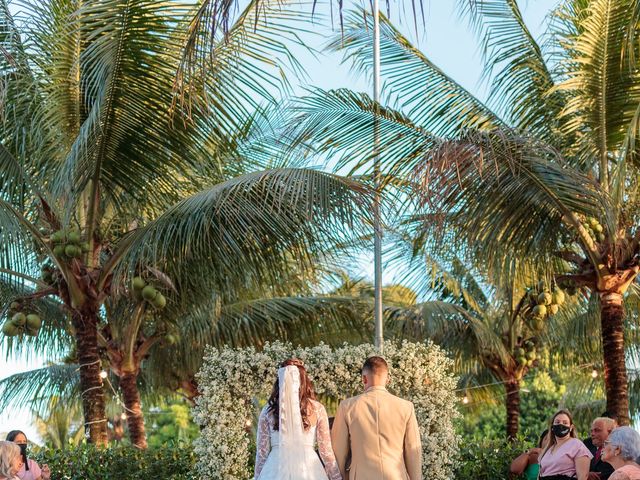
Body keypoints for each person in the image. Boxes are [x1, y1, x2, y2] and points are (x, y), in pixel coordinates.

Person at [331, 356, 422, 480]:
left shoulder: (346, 407)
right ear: (388, 379)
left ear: (364, 378)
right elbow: (413, 452)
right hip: (396, 476)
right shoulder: (406, 407)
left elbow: (338, 452)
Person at [254, 358, 341, 480]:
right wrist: (337, 478)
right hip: (309, 469)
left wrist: (257, 477)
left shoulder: (268, 410)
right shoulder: (317, 409)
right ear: (304, 380)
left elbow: (261, 453)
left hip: (275, 467)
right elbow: (326, 452)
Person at [538, 409, 592, 480]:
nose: (561, 425)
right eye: (557, 422)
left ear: (571, 428)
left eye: (565, 423)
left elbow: (583, 476)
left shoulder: (577, 445)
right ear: (552, 427)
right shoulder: (548, 448)